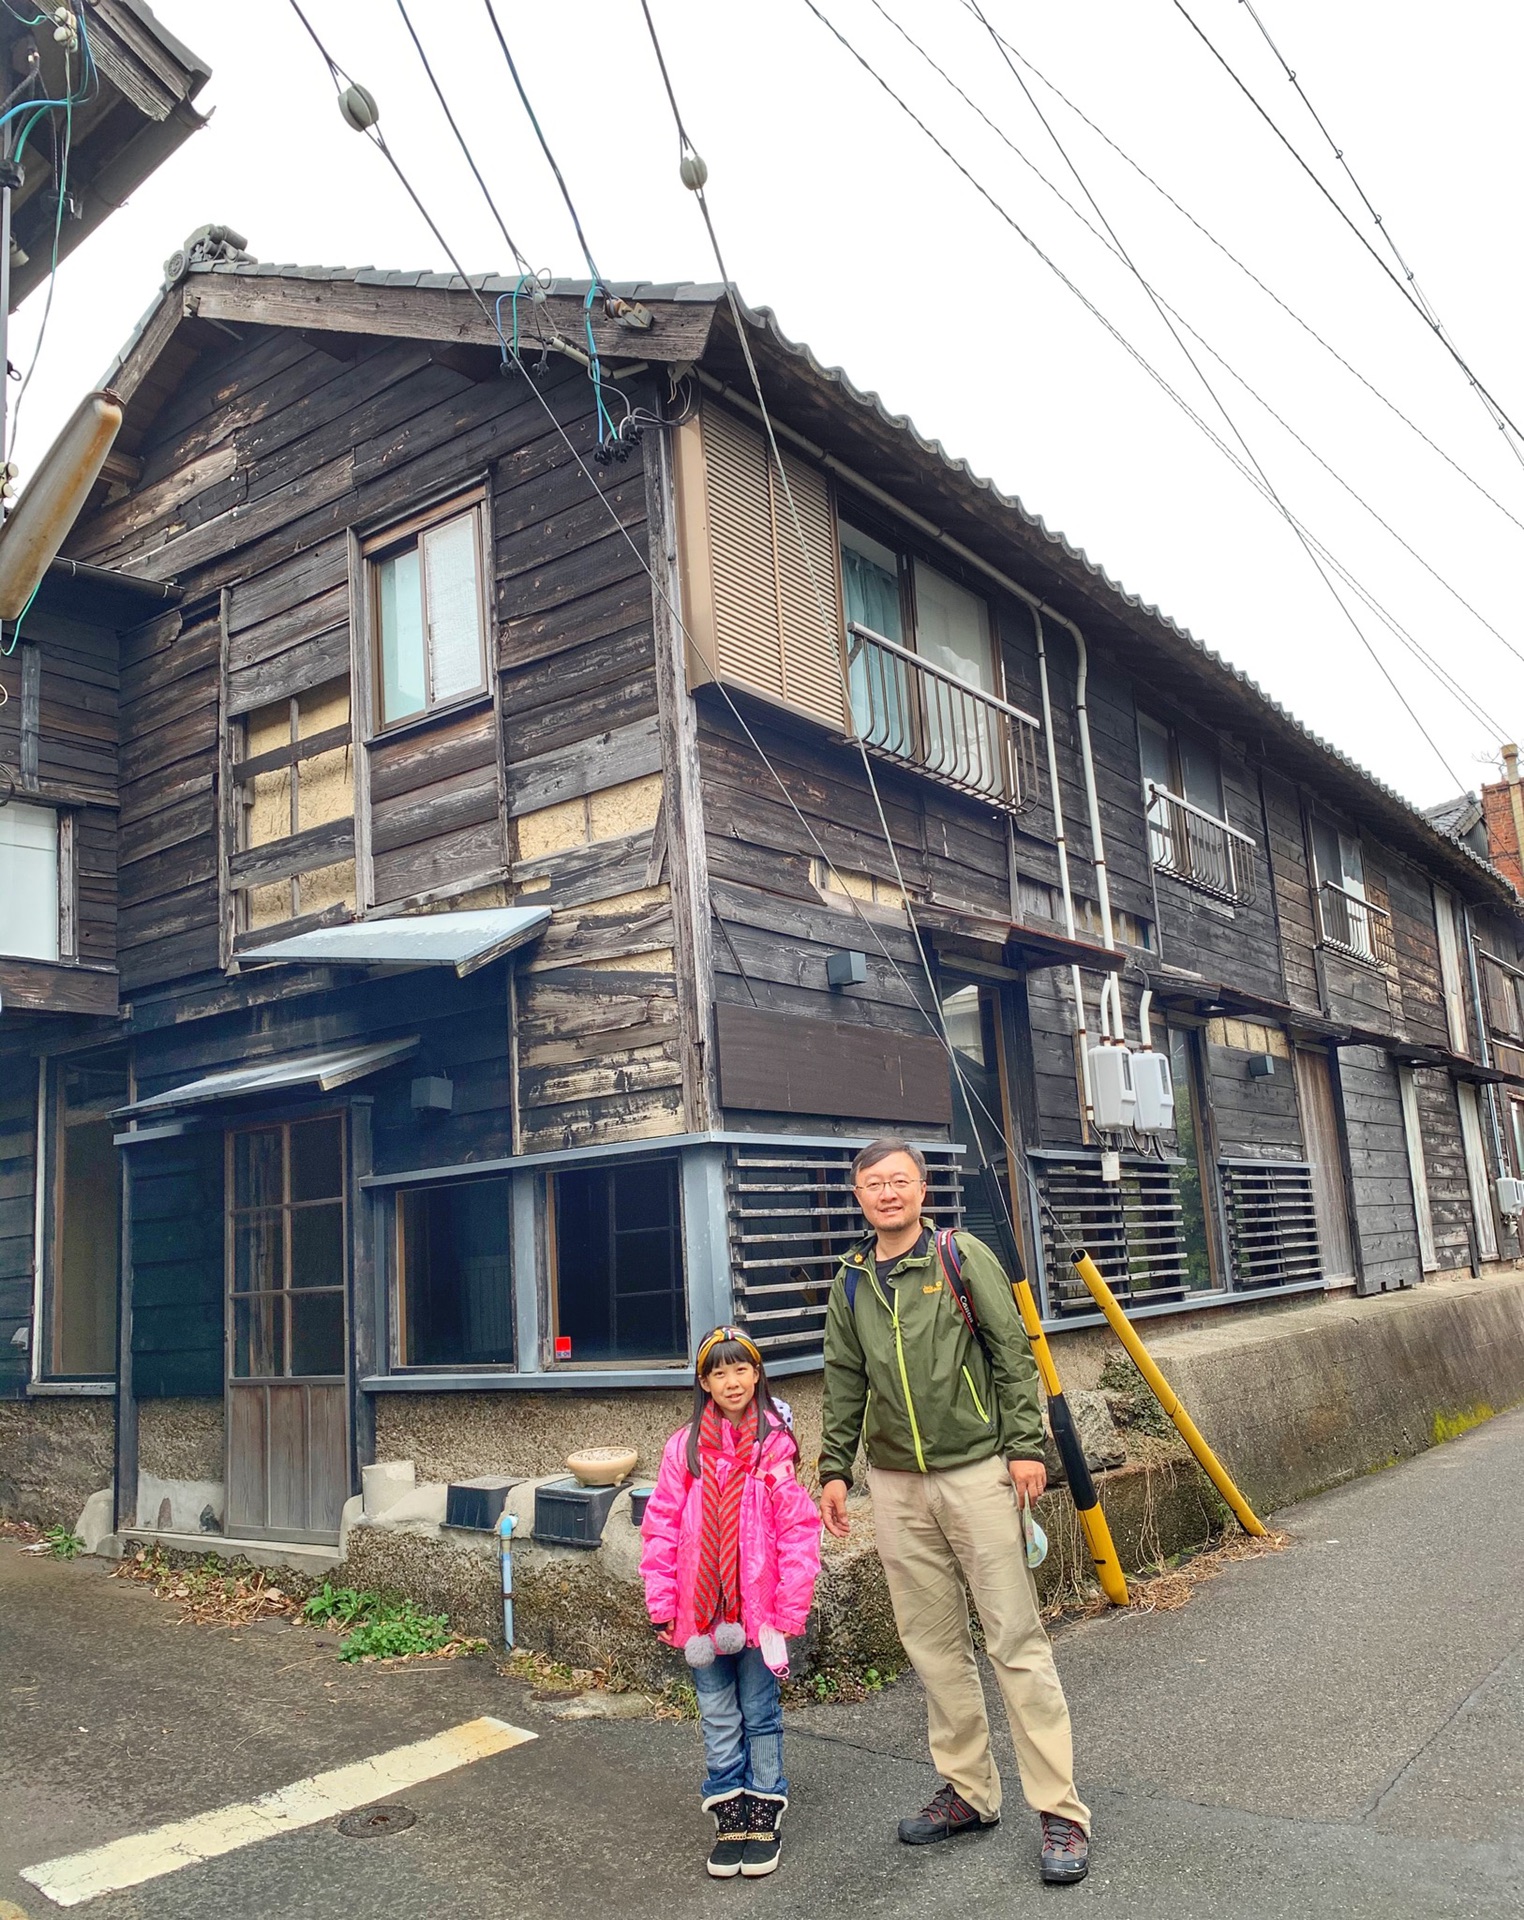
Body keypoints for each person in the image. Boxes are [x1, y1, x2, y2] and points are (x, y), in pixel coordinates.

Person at [817, 1140, 1091, 1886]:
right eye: (874, 1185)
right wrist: (835, 1469)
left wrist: (1025, 1446)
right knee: (933, 1645)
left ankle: (1060, 1809)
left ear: (923, 1186)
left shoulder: (958, 1255)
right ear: (858, 1196)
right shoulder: (849, 1283)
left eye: (900, 1181)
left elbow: (1012, 1352)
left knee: (1014, 1639)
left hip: (976, 1472)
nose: (888, 1193)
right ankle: (970, 1791)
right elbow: (844, 1380)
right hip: (897, 1486)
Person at [640, 1326, 823, 1881]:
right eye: (718, 1371)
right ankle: (729, 1809)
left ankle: (764, 1806)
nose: (731, 1380)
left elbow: (797, 1530)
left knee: (759, 1711)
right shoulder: (685, 1448)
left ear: (758, 1373)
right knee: (718, 1713)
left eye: (740, 1368)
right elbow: (662, 1529)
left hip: (759, 1611)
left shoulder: (775, 1446)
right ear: (704, 1382)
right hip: (701, 1613)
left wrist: (791, 1607)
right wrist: (662, 1602)